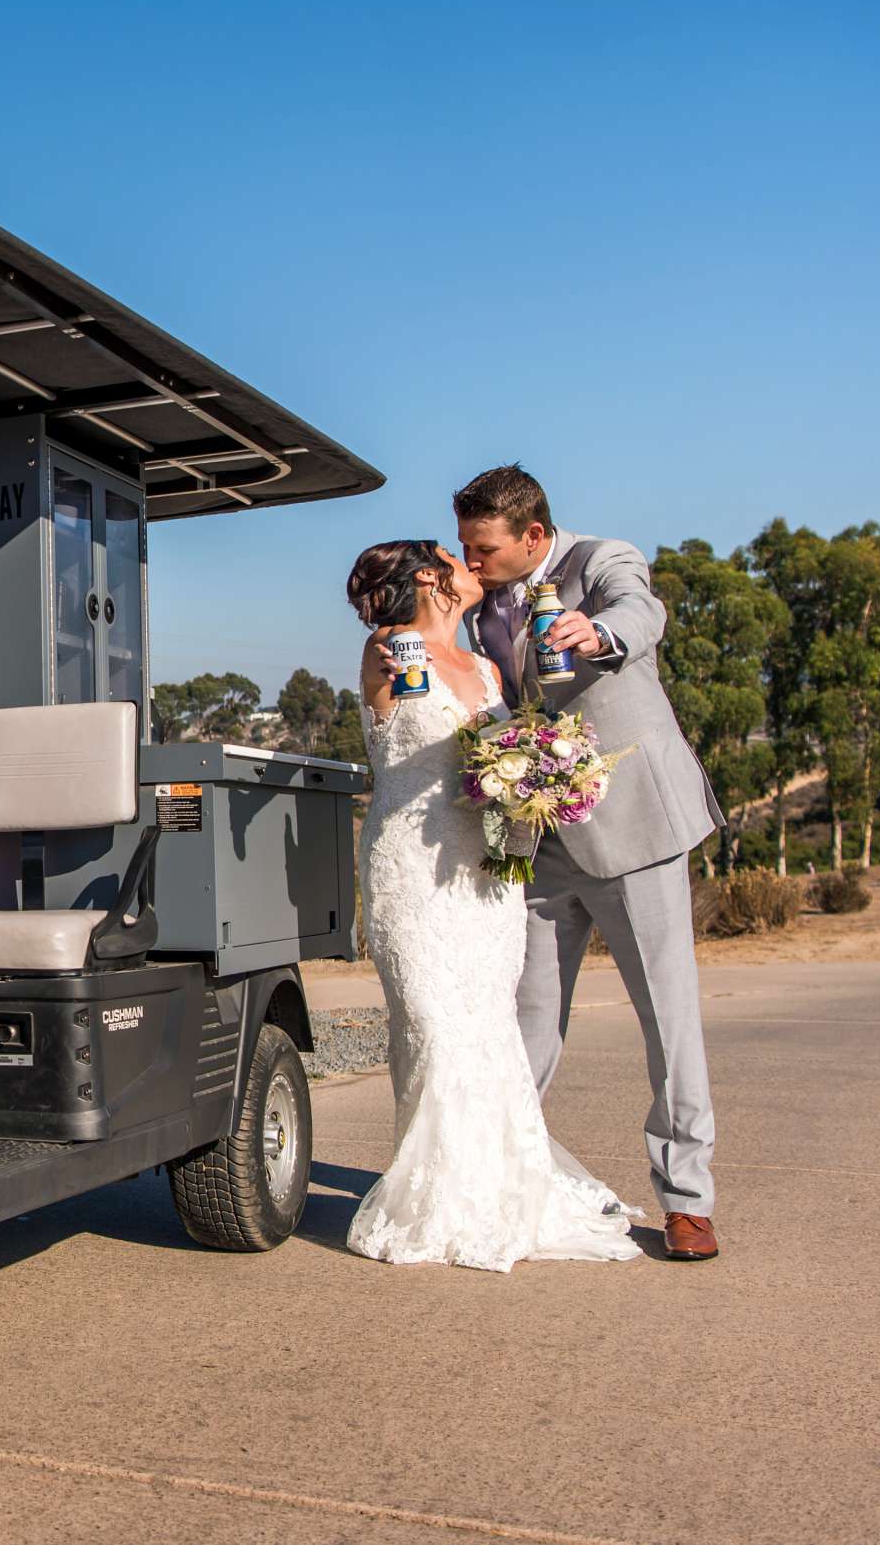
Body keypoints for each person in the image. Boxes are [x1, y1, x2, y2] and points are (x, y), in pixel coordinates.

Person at [343, 538, 640, 1270]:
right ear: (427, 577)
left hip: (491, 868)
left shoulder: (482, 665)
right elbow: (408, 719)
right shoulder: (392, 645)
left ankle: (496, 1188)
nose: (471, 564)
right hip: (413, 869)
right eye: (456, 556)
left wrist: (540, 773)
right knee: (436, 1030)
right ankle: (439, 1200)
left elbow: (500, 752)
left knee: (488, 1033)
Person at [454, 463, 724, 1260]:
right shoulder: (480, 604)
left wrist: (599, 632)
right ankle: (505, 1179)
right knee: (525, 1024)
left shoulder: (602, 562)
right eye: (466, 548)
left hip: (632, 833)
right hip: (537, 845)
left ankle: (687, 1201)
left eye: (484, 548)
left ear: (534, 536)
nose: (472, 562)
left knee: (667, 1022)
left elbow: (643, 608)